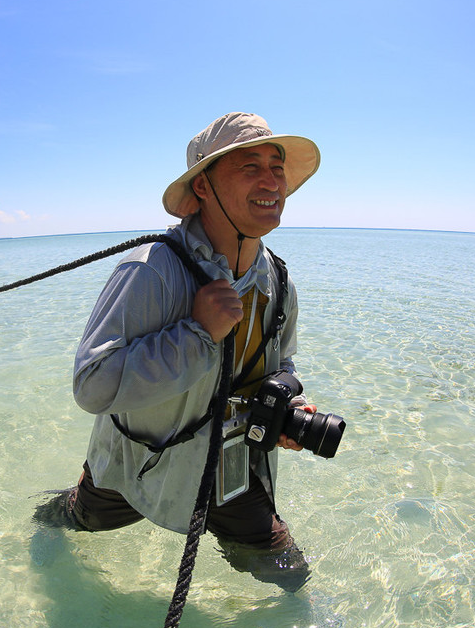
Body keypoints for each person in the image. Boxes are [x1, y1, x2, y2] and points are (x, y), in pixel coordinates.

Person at [34, 112, 322, 592]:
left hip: (233, 470)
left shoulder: (281, 281)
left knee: (291, 577)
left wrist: (289, 406)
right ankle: (43, 517)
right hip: (139, 464)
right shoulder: (152, 271)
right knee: (77, 519)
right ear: (203, 187)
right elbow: (91, 385)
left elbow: (283, 361)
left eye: (277, 167)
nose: (273, 180)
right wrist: (196, 334)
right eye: (250, 167)